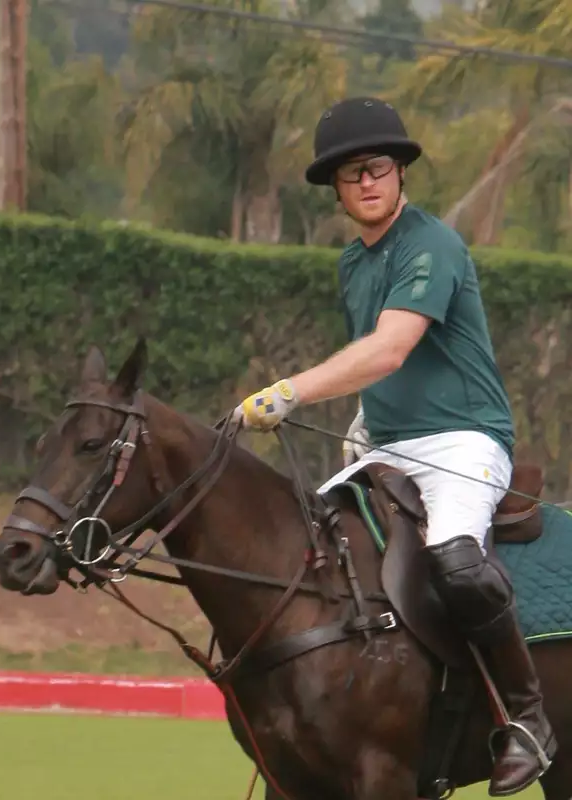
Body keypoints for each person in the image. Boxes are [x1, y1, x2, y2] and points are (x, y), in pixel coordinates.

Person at [233, 96, 556, 795]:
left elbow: (389, 348)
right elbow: (381, 370)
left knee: (457, 560)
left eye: (378, 167)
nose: (368, 182)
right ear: (339, 191)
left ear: (400, 171)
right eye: (352, 175)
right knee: (304, 552)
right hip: (385, 448)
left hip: (463, 444)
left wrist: (290, 390)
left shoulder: (432, 243)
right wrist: (362, 422)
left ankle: (528, 716)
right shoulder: (354, 264)